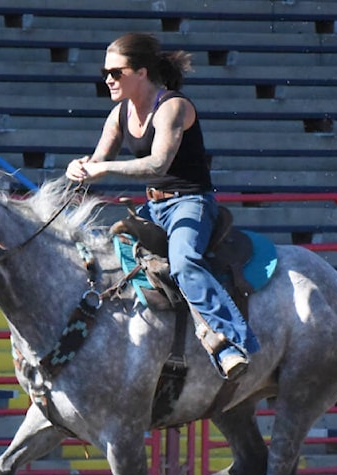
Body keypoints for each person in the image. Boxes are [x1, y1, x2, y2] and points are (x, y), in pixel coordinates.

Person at [65, 32, 258, 380]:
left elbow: (157, 165)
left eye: (116, 72)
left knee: (184, 264)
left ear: (141, 72)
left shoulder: (173, 107)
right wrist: (79, 169)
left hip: (191, 204)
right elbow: (96, 162)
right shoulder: (119, 113)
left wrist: (103, 168)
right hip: (154, 208)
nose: (108, 79)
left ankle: (231, 343)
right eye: (105, 72)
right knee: (112, 251)